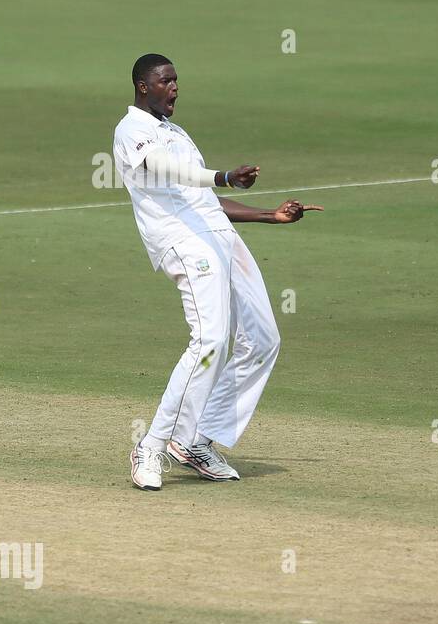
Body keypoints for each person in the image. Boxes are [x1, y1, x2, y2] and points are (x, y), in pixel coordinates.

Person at [113, 53, 322, 491]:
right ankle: (150, 446)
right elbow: (162, 170)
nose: (174, 87)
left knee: (263, 339)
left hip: (220, 237)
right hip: (186, 244)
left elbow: (204, 198)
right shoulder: (132, 130)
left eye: (176, 80)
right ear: (142, 86)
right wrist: (223, 174)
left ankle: (195, 440)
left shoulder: (176, 133)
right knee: (209, 341)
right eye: (165, 80)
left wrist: (270, 215)